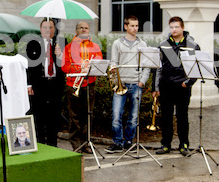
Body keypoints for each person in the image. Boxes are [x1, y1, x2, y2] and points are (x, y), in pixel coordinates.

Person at [152, 16, 200, 156]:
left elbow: (196, 67)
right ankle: (165, 144)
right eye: (171, 27)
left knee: (182, 116)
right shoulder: (163, 44)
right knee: (166, 117)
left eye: (176, 27)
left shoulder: (192, 45)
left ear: (182, 28)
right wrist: (156, 88)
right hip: (166, 86)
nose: (174, 30)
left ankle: (184, 145)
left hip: (182, 86)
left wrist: (189, 82)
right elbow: (157, 68)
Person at [105, 15, 150, 153]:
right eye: (132, 26)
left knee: (134, 116)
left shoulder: (142, 44)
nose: (135, 28)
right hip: (121, 83)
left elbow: (147, 65)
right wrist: (115, 80)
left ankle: (128, 141)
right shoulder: (117, 43)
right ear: (126, 26)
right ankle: (117, 142)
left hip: (136, 84)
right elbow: (114, 62)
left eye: (137, 26)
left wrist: (142, 81)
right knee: (116, 114)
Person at [62, 21, 102, 153]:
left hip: (89, 84)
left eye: (86, 28)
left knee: (88, 115)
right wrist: (80, 68)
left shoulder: (95, 46)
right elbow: (64, 66)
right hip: (73, 85)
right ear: (76, 31)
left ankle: (86, 142)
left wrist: (90, 67)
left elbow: (99, 63)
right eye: (81, 28)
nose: (84, 30)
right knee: (74, 116)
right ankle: (75, 144)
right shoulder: (68, 47)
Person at [25, 18, 65, 147]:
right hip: (39, 85)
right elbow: (29, 65)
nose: (48, 30)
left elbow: (66, 64)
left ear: (55, 29)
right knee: (39, 116)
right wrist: (29, 84)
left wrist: (60, 55)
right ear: (41, 29)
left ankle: (53, 146)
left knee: (54, 116)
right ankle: (41, 144)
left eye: (51, 27)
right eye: (45, 27)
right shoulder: (33, 43)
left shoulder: (61, 43)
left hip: (55, 85)